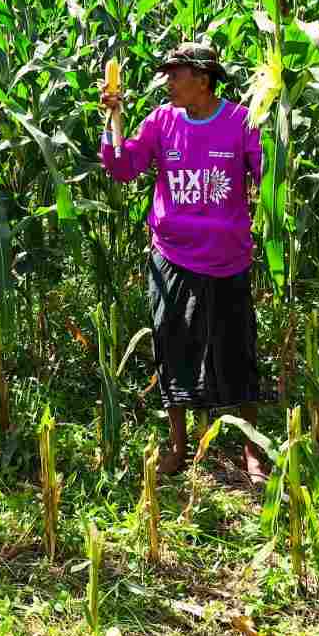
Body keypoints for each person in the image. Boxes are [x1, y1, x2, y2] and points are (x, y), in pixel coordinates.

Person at [98, 41, 267, 482]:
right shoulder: (162, 121)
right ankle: (179, 446)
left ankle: (252, 450)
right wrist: (111, 120)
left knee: (236, 352)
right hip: (172, 256)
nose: (168, 82)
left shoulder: (240, 122)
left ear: (203, 80)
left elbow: (268, 175)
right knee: (173, 350)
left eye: (176, 74)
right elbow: (123, 167)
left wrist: (279, 133)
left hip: (227, 259)